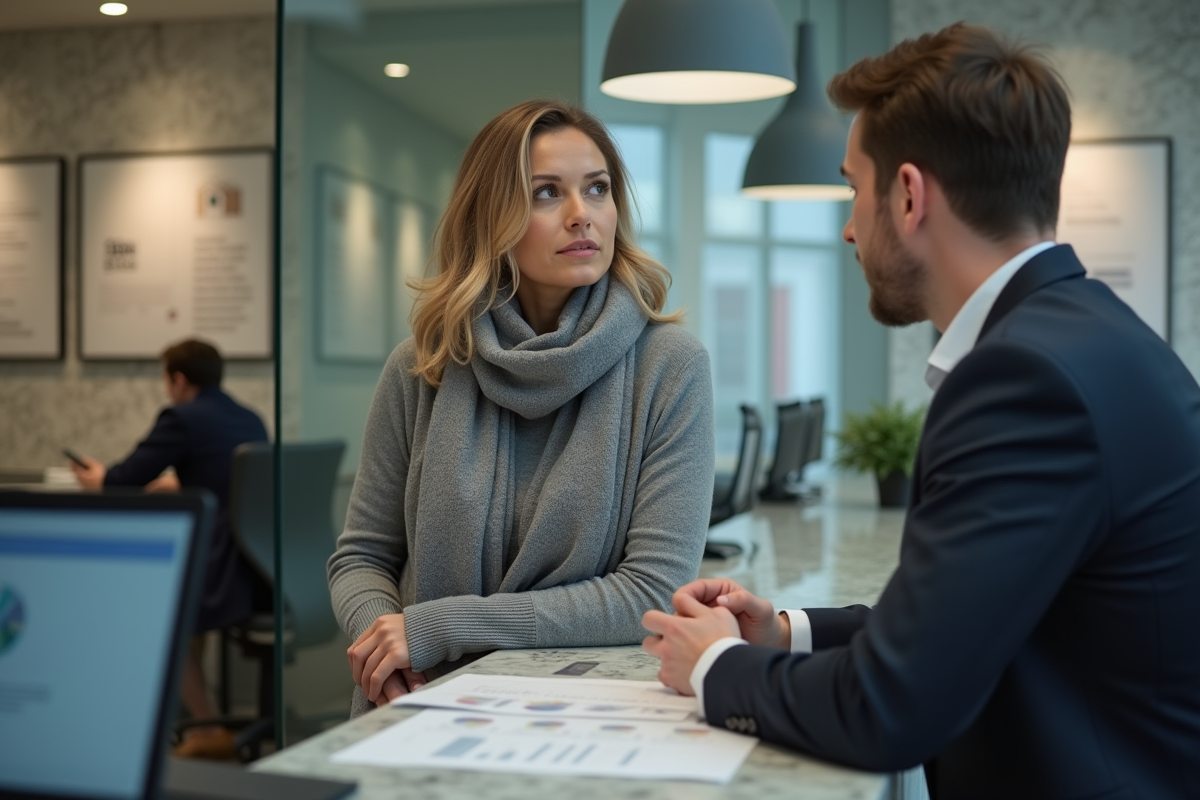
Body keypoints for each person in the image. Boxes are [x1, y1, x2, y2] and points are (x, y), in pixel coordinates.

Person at [642, 23, 1200, 800]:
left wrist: (716, 666)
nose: (847, 227)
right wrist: (784, 631)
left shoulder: (1023, 378)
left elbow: (889, 708)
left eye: (852, 188)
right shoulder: (1087, 336)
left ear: (908, 195)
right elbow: (964, 622)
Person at [328, 100, 714, 717]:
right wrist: (381, 643)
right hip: (420, 701)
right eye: (546, 193)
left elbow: (653, 591)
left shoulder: (670, 365)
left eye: (597, 188)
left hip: (579, 709)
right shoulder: (423, 365)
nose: (581, 213)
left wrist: (441, 627)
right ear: (492, 217)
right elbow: (363, 557)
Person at [71, 338, 270, 760]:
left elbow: (124, 479)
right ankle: (202, 720)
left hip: (218, 572)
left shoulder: (181, 417)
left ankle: (208, 728)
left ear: (178, 380)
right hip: (257, 570)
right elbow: (232, 482)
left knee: (160, 611)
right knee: (179, 606)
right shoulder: (249, 417)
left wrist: (97, 479)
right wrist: (183, 483)